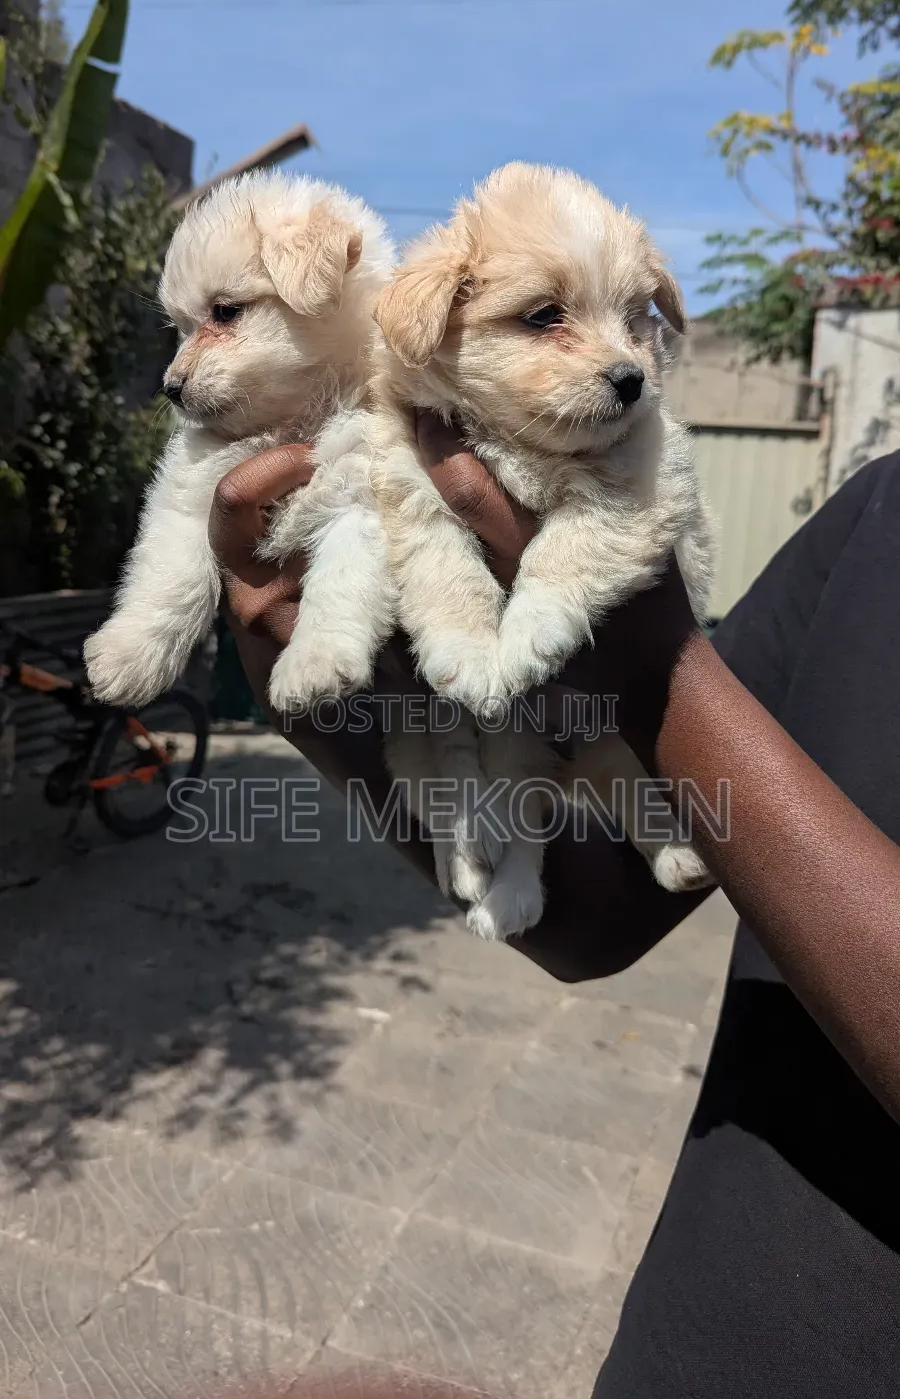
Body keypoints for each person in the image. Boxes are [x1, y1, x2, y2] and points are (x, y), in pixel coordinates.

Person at [209, 420, 900, 1399]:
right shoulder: (877, 522)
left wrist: (656, 660)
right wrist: (337, 707)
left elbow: (659, 683)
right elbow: (601, 909)